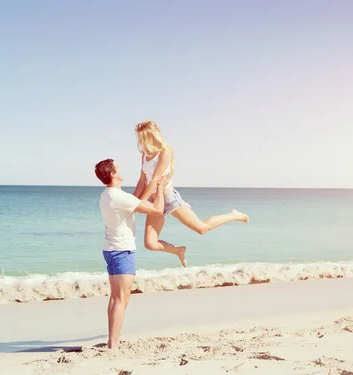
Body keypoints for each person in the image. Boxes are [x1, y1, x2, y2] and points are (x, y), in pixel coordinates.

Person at [132, 120, 249, 267]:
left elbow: (155, 179)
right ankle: (178, 251)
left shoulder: (164, 152)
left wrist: (141, 202)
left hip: (168, 198)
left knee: (201, 228)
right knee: (150, 244)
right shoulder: (145, 154)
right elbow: (142, 181)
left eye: (143, 137)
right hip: (155, 201)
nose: (140, 141)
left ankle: (234, 215)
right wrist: (132, 202)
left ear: (152, 136)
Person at [95, 158, 169, 350]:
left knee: (116, 297)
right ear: (112, 174)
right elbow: (157, 210)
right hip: (122, 251)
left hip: (111, 249)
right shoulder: (118, 197)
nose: (120, 169)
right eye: (117, 167)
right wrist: (160, 187)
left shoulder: (109, 195)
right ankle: (113, 344)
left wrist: (144, 177)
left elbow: (136, 196)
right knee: (121, 298)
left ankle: (113, 341)